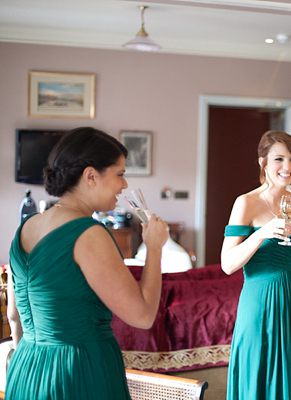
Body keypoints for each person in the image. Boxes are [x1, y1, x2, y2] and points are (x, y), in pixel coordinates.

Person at [6, 127, 169, 399]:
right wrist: (153, 248)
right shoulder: (88, 233)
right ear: (91, 176)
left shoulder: (25, 228)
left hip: (26, 369)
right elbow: (142, 316)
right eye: (120, 174)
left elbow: (14, 316)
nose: (124, 185)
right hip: (77, 371)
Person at [221, 130, 291, 400]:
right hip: (261, 305)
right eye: (279, 159)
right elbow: (227, 264)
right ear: (263, 162)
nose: (287, 167)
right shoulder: (246, 203)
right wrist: (261, 233)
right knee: (261, 381)